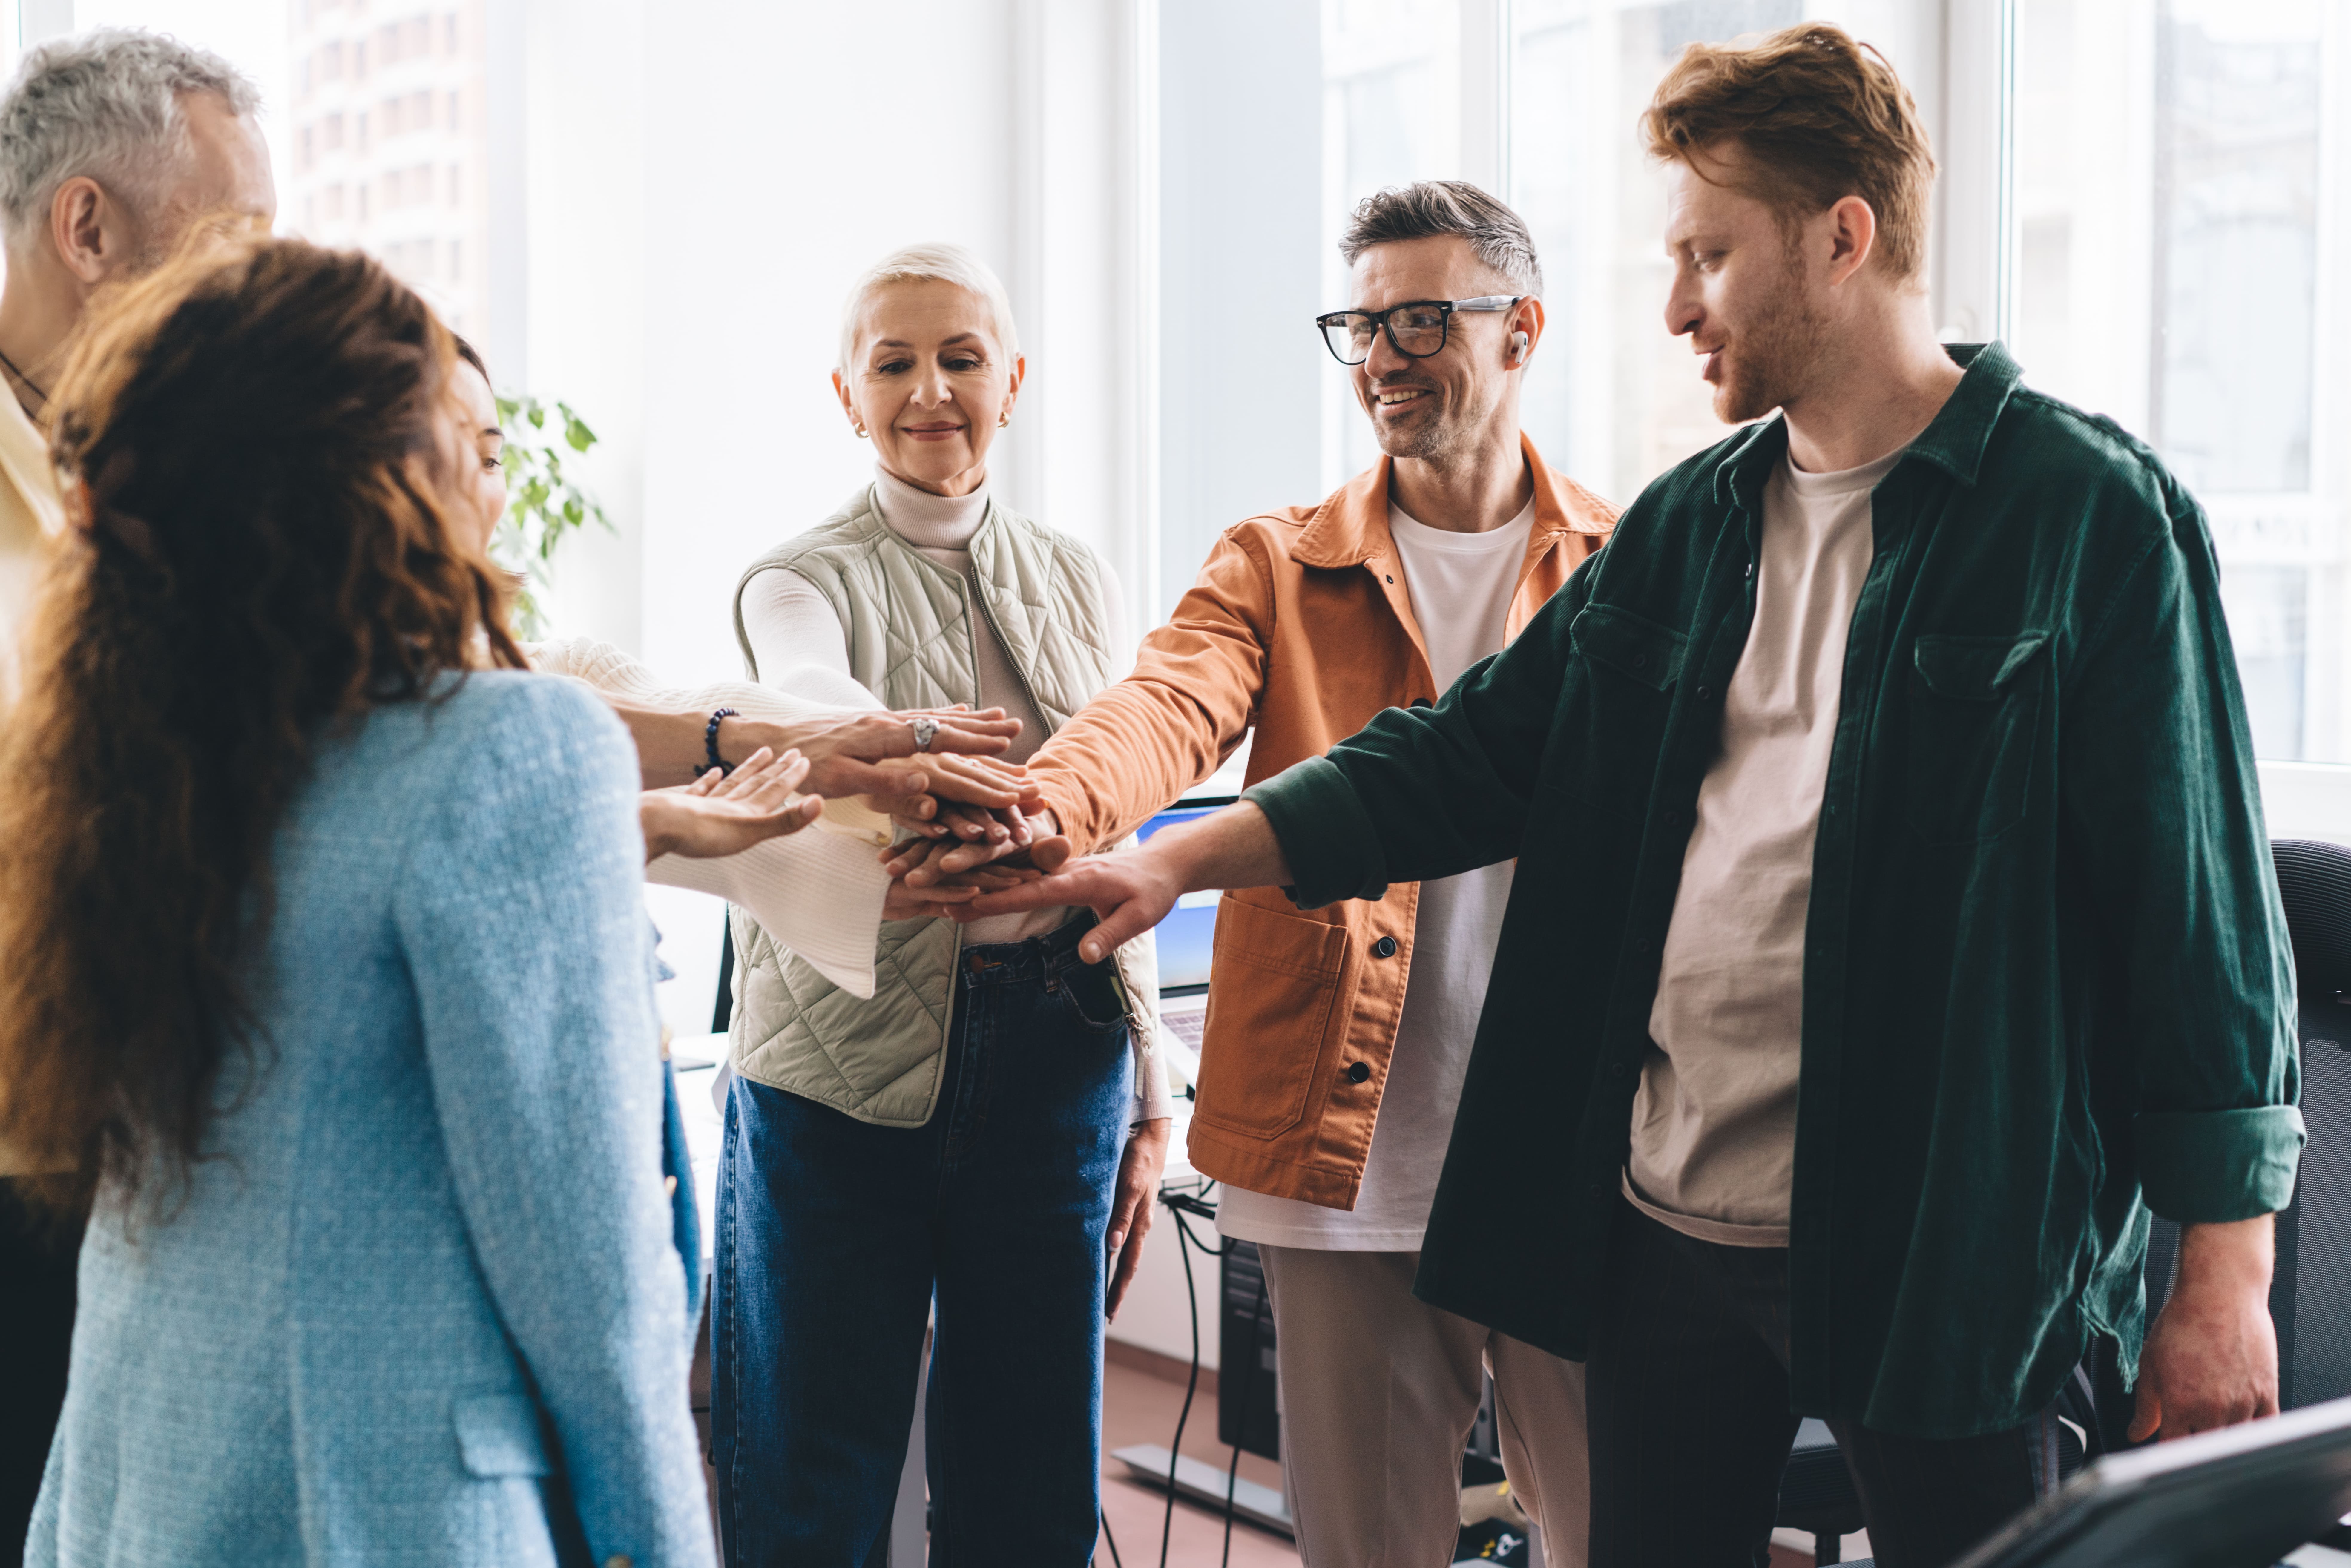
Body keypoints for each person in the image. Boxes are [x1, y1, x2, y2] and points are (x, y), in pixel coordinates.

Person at [959, 25, 2303, 1568]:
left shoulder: (2091, 522)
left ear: (1842, 236)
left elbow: (2200, 934)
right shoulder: (1692, 526)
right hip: (1666, 1231)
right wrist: (1173, 864)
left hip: (1953, 1250)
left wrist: (2227, 1278)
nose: (1674, 308)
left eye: (1709, 258)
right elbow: (1465, 756)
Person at [900, 182, 1615, 1564]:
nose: (1386, 357)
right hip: (1339, 1157)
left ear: (1521, 328)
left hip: (1568, 1143)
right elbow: (1161, 705)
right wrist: (1047, 811)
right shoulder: (1279, 561)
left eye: (1422, 317)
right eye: (1362, 325)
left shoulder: (1629, 559)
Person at [1, 235, 716, 1567]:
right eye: (459, 427)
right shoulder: (514, 749)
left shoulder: (138, 763)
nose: (489, 470)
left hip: (132, 1491)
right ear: (378, 475)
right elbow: (593, 1284)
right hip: (384, 1517)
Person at [712, 242, 1171, 1565]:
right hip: (837, 1069)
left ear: (1013, 381)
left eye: (962, 358)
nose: (930, 390)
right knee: (813, 1470)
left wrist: (1151, 1096)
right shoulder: (794, 574)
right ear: (846, 394)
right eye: (894, 362)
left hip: (1056, 1052)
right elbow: (809, 694)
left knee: (1033, 1482)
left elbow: (1125, 813)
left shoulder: (1082, 574)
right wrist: (906, 745)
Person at [0, 30, 274, 1552]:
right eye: (230, 242)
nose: (251, 291)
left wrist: (718, 747)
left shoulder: (172, 476)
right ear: (87, 225)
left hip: (154, 1165)